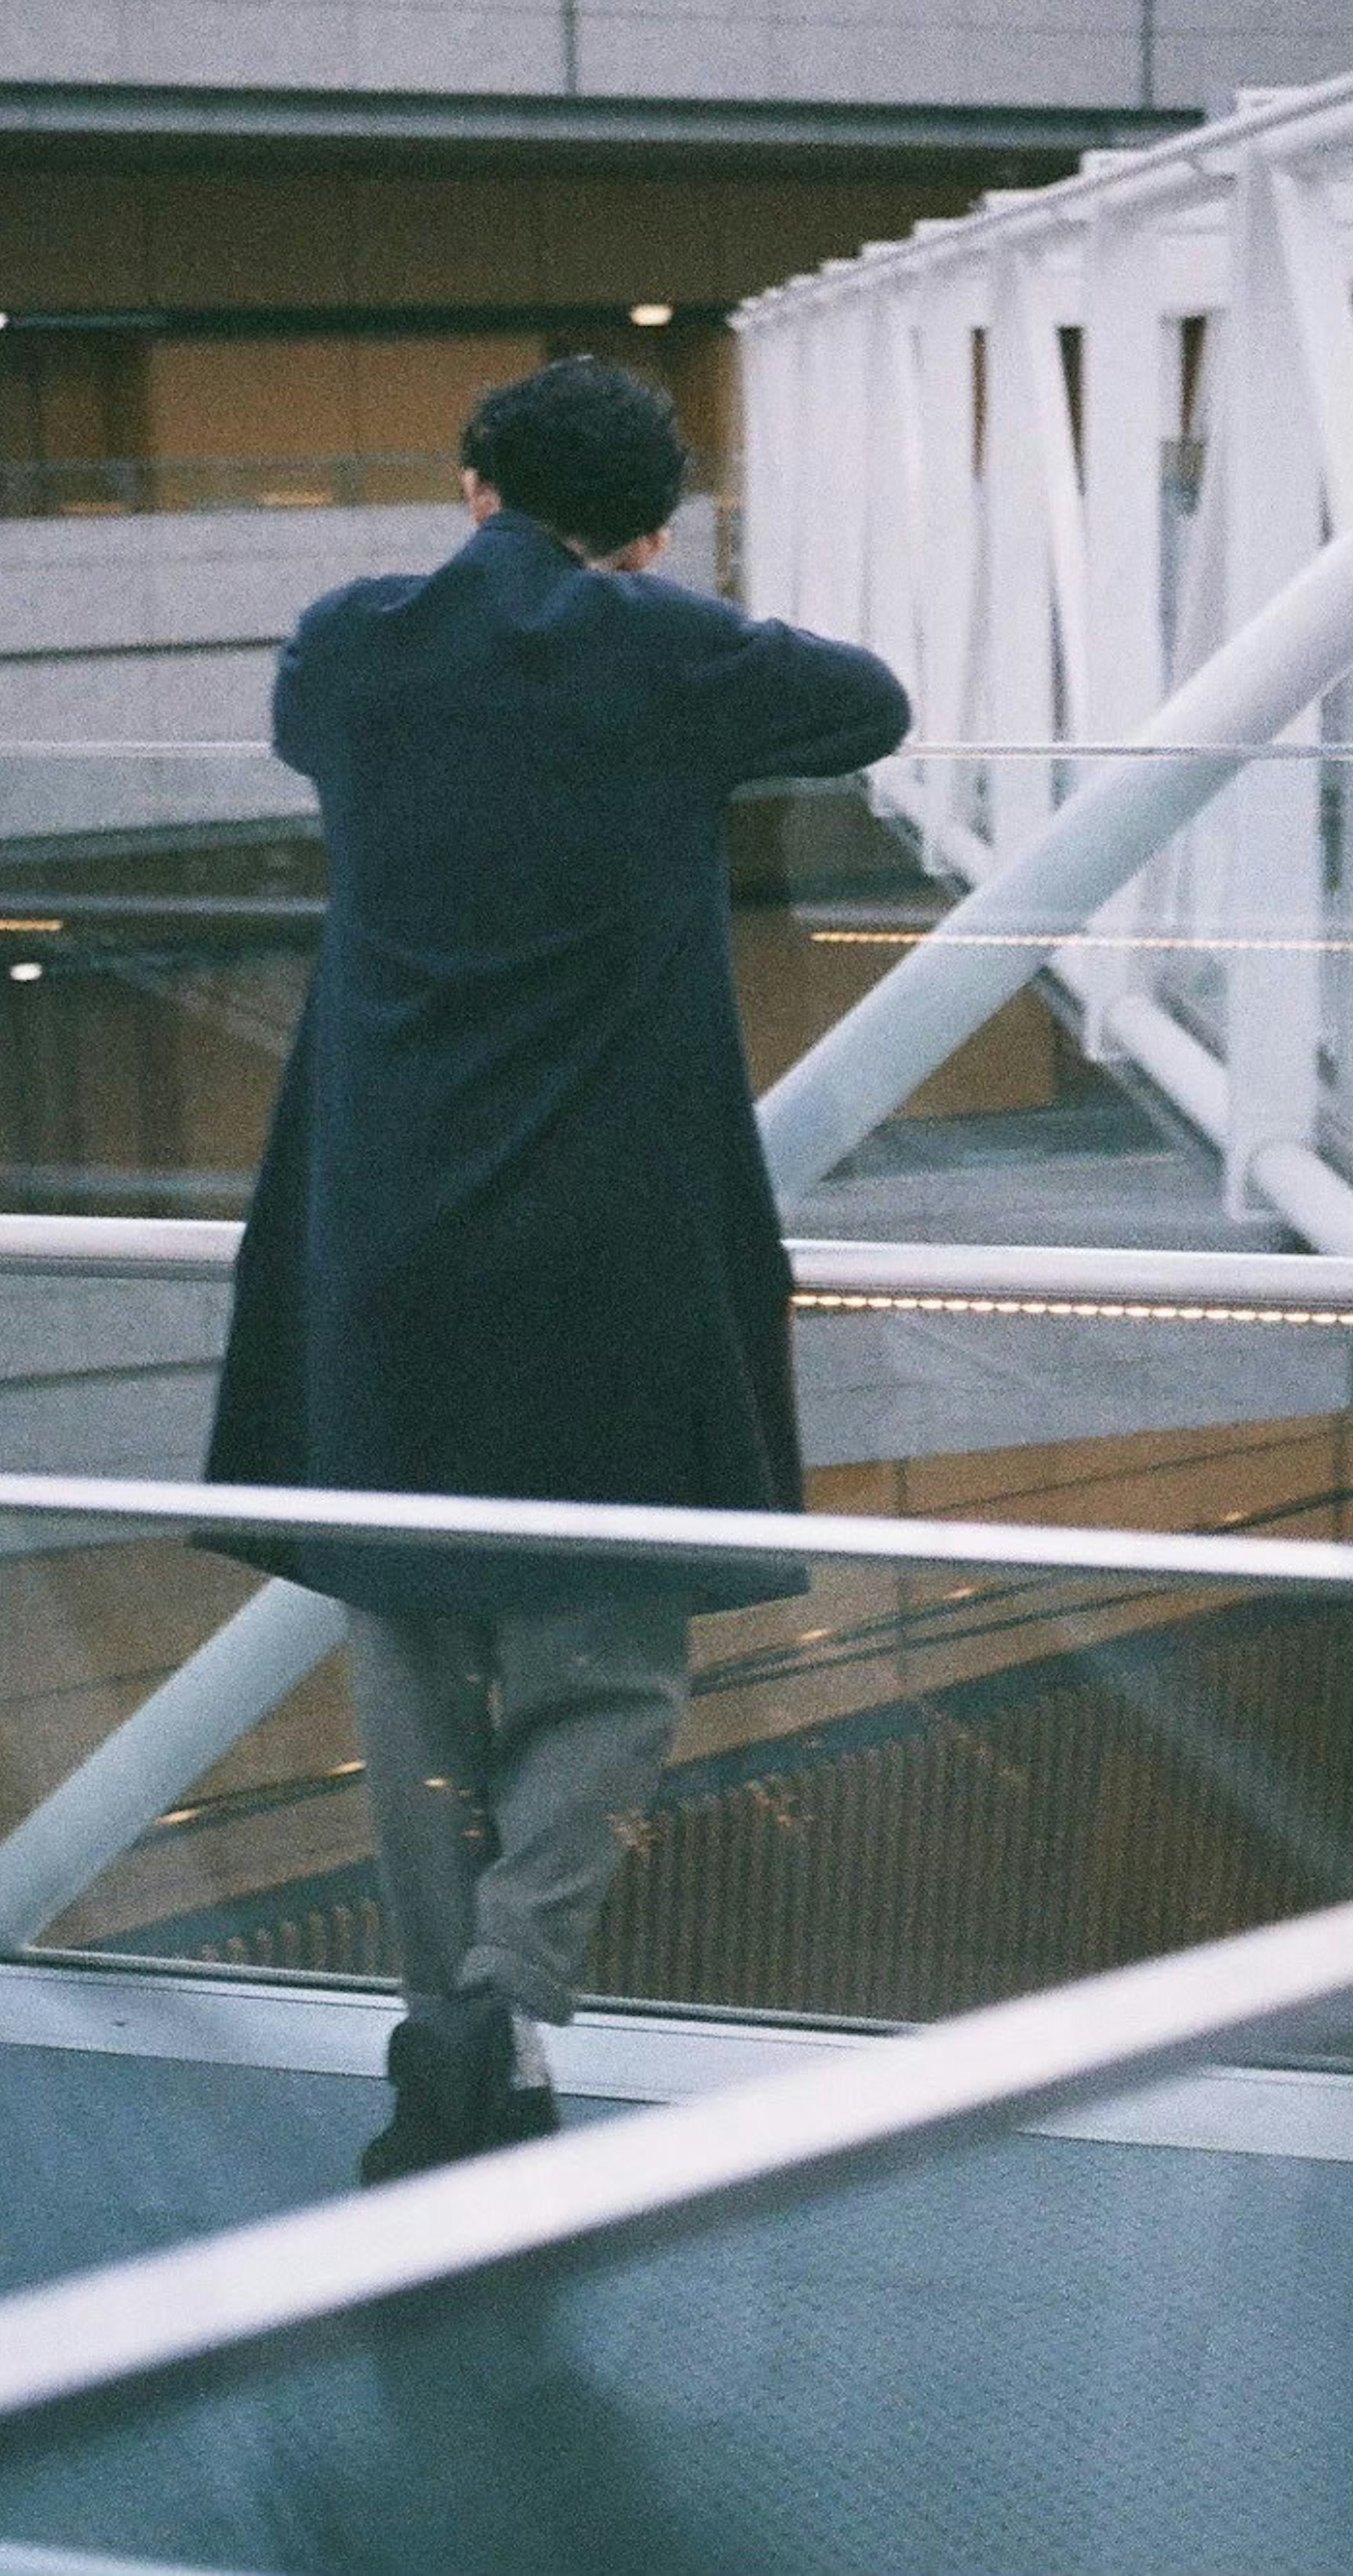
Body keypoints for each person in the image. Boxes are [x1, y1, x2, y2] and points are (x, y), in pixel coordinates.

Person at [205, 355, 909, 2181]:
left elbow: (312, 729)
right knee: (603, 1659)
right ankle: (499, 2001)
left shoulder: (349, 645)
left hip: (386, 1221)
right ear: (652, 530)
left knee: (409, 1656)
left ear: (469, 486)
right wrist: (647, 609)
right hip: (605, 1228)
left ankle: (453, 2034)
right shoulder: (666, 657)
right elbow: (869, 705)